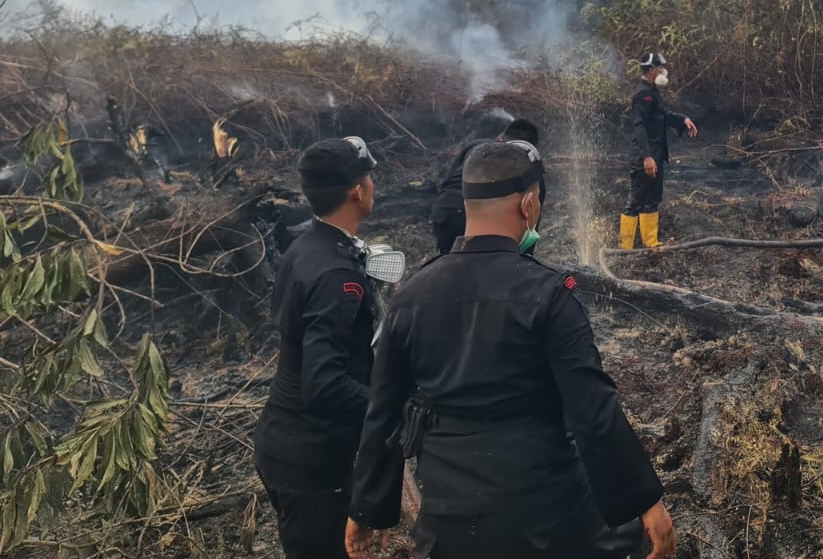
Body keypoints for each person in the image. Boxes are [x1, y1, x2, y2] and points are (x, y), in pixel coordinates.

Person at [346, 141, 677, 559]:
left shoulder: (411, 296)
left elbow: (383, 413)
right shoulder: (551, 296)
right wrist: (645, 500)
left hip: (448, 522)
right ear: (527, 204)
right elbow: (593, 409)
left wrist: (367, 507)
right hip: (547, 516)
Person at [253, 137, 381, 559]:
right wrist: (388, 408)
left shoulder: (308, 245)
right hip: (310, 458)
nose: (371, 185)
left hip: (287, 443)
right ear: (357, 190)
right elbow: (324, 386)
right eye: (369, 177)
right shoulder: (335, 275)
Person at [621, 53, 696, 250]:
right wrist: (647, 157)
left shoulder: (653, 92)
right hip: (645, 157)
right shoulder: (642, 95)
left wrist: (683, 119)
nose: (664, 70)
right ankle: (625, 248)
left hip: (656, 155)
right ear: (652, 70)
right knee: (636, 201)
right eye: (661, 67)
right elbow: (639, 127)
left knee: (653, 198)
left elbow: (663, 116)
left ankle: (650, 243)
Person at [430, 107, 513, 255]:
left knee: (448, 262)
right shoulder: (497, 150)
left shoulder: (470, 146)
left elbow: (447, 178)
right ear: (501, 136)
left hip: (442, 211)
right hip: (464, 212)